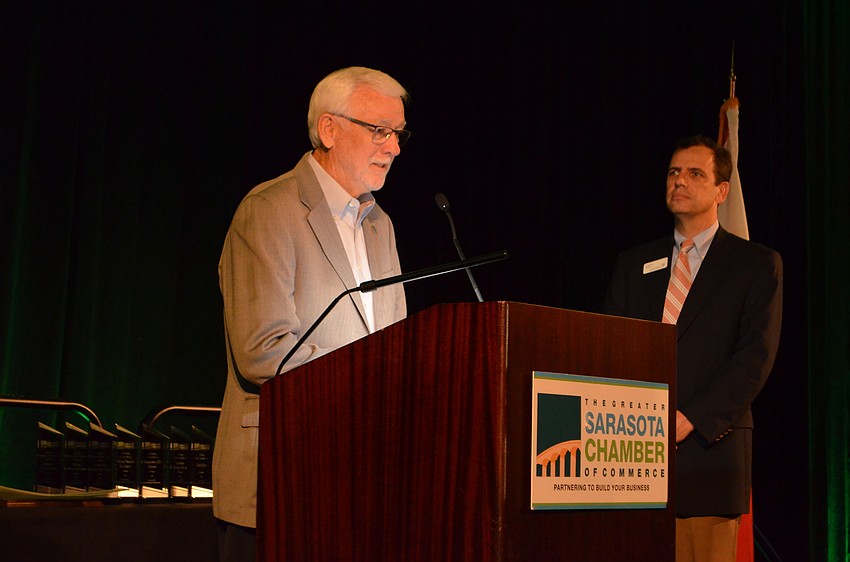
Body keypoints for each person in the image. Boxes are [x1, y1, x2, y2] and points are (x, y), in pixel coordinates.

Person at [212, 66, 410, 561]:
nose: (394, 148)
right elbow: (263, 351)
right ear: (329, 129)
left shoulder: (381, 225)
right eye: (380, 131)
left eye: (399, 134)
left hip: (363, 485)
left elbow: (397, 344)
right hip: (280, 478)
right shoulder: (268, 210)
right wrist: (369, 375)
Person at [603, 135, 782, 562]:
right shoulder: (633, 263)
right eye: (673, 172)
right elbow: (609, 346)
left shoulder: (755, 264)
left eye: (695, 173)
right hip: (628, 459)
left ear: (722, 191)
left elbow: (753, 359)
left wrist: (690, 420)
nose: (679, 180)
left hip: (708, 458)